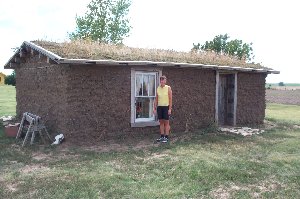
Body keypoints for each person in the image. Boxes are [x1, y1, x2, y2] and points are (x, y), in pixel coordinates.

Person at [153, 75, 172, 143]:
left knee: (166, 123)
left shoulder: (168, 88)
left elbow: (170, 99)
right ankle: (162, 137)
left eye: (163, 80)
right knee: (161, 122)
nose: (162, 81)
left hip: (166, 107)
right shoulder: (158, 88)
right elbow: (156, 99)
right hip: (159, 107)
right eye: (161, 80)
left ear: (165, 81)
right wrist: (154, 108)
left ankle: (166, 137)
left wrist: (169, 109)